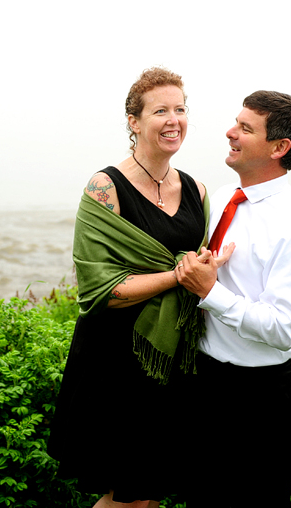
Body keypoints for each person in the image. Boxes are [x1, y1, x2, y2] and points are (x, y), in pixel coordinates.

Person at [48, 67, 228, 508]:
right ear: (134, 121)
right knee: (125, 495)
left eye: (181, 109)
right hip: (115, 358)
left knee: (148, 492)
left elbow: (200, 263)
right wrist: (179, 275)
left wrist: (206, 267)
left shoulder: (196, 189)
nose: (174, 120)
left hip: (170, 356)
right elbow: (99, 289)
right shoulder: (105, 187)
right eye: (160, 110)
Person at [176, 90, 291, 508]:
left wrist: (210, 292)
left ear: (279, 148)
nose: (230, 132)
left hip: (257, 396)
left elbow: (283, 330)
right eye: (235, 122)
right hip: (203, 377)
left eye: (245, 128)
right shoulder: (223, 198)